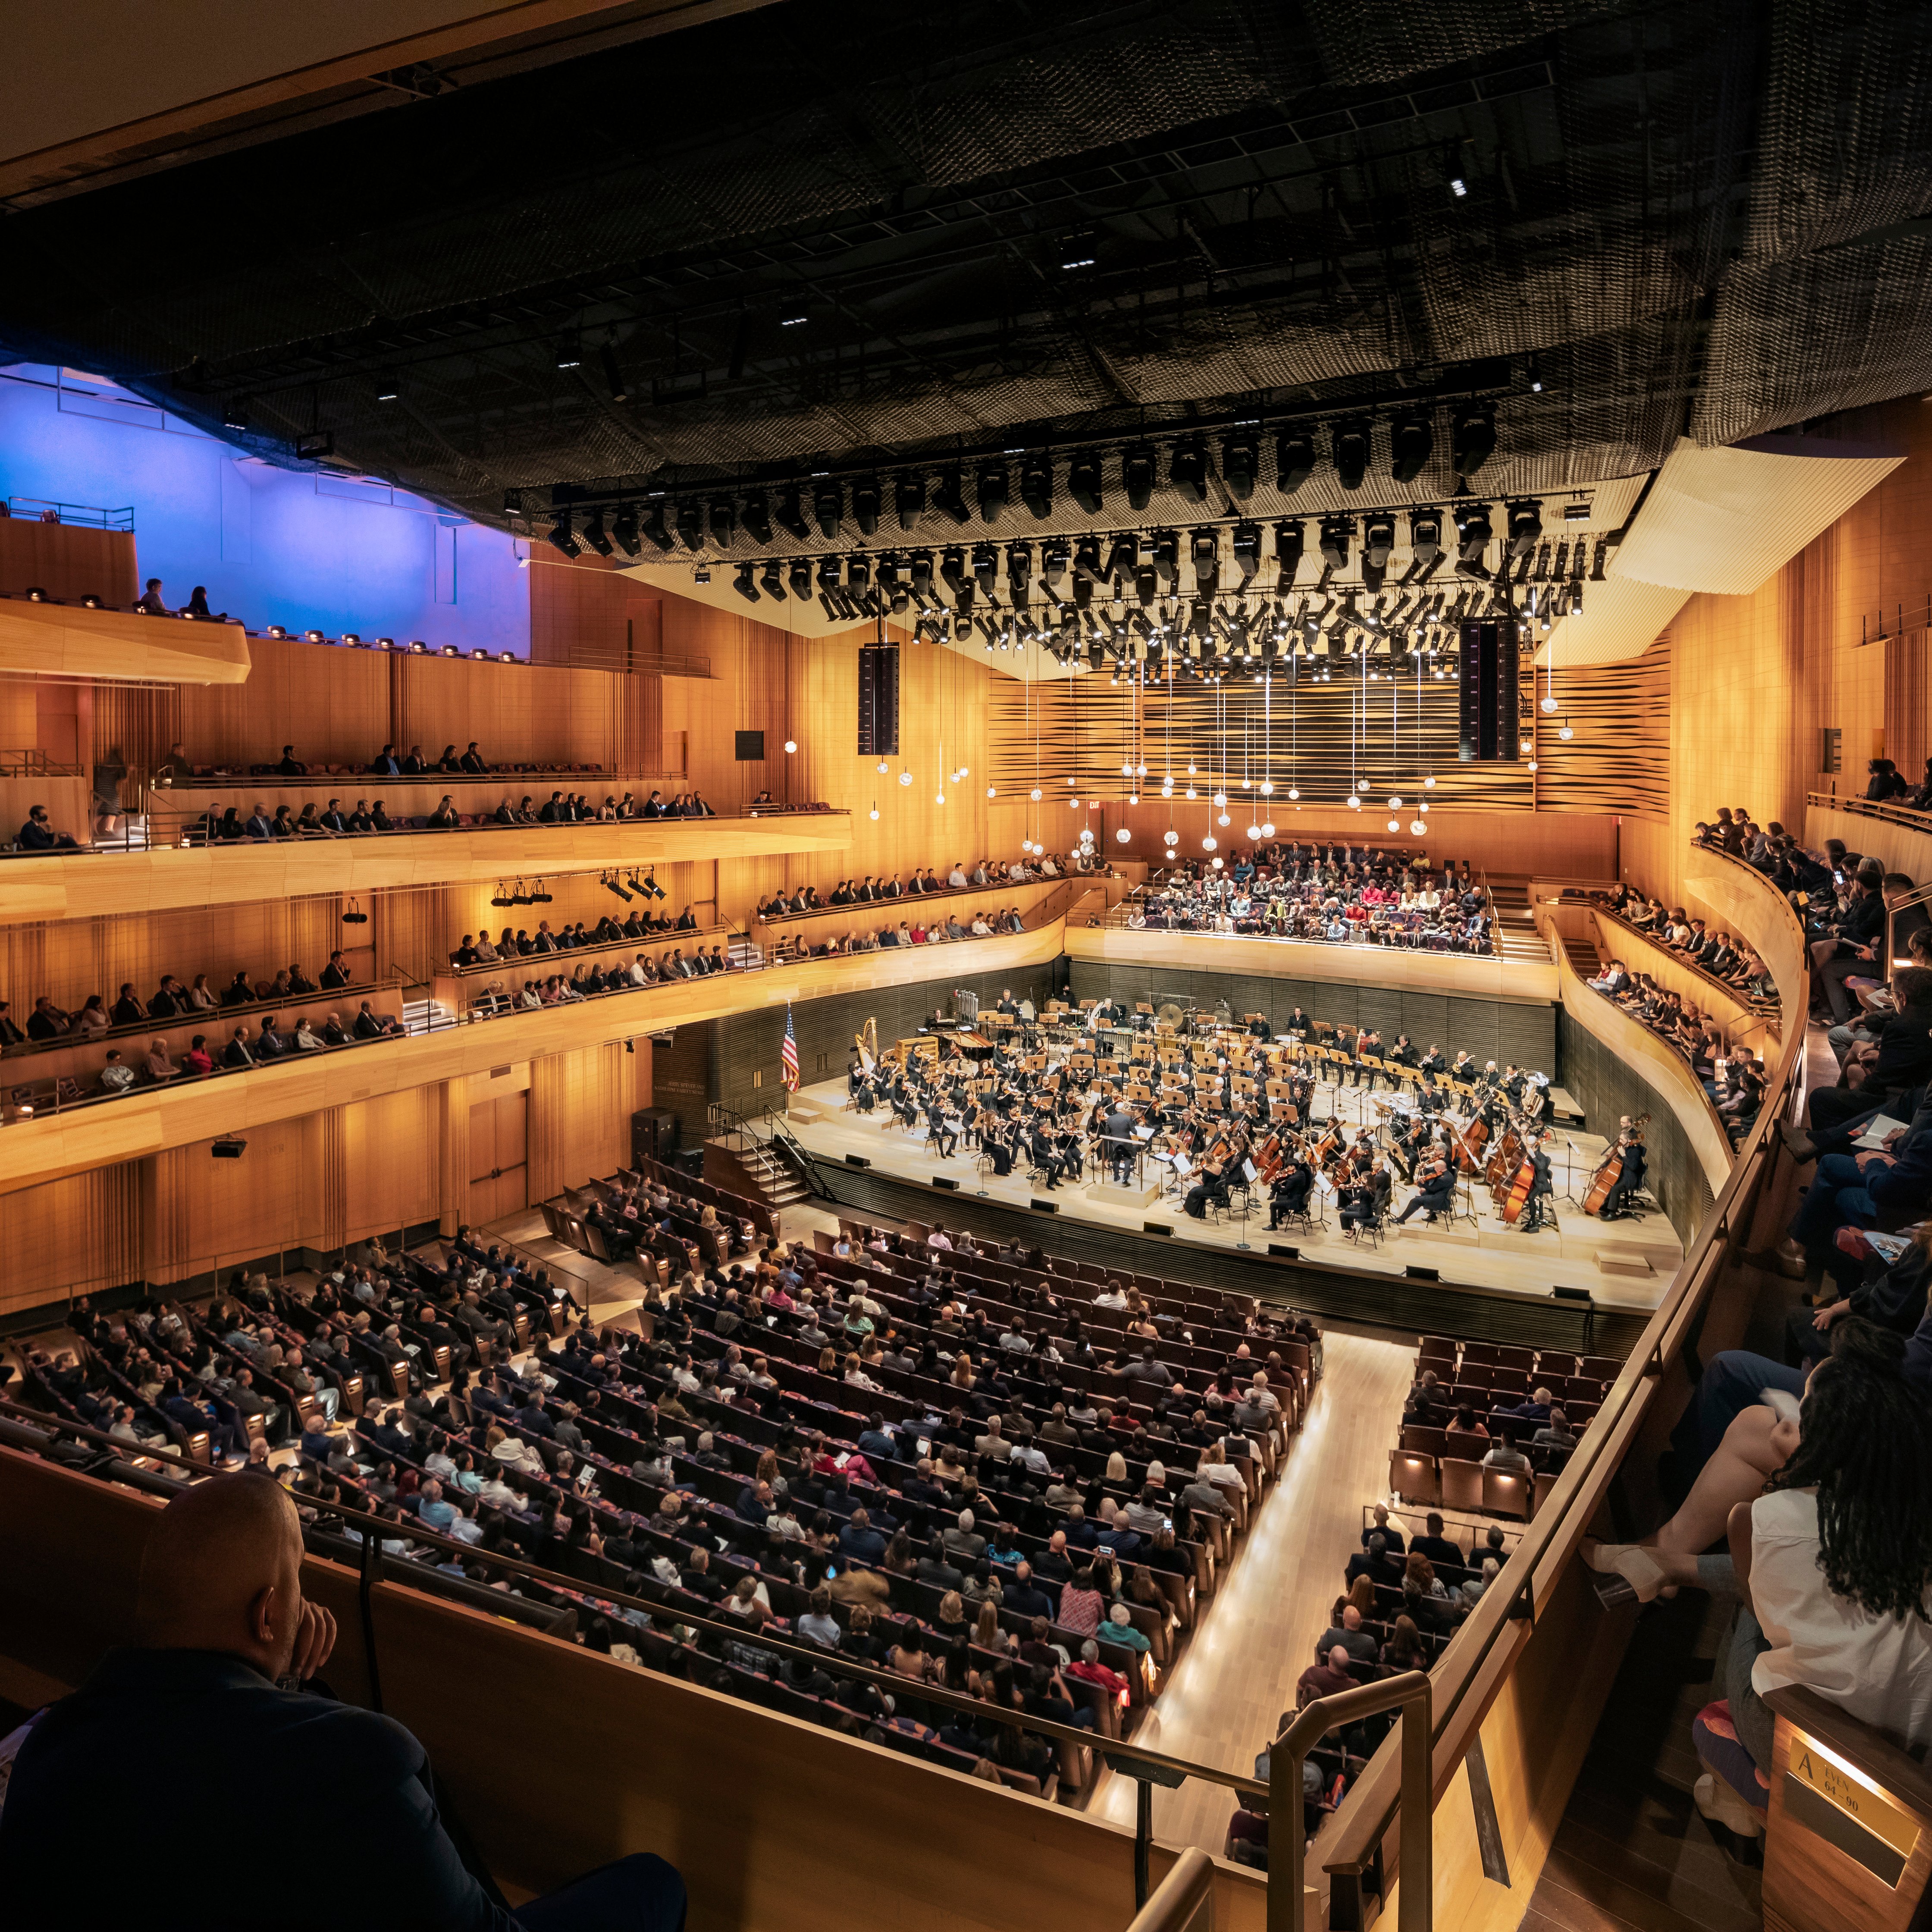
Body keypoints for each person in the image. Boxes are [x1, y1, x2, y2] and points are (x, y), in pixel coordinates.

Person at [0, 1477, 686, 1930]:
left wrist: (282, 1689)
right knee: (654, 1885)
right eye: (298, 1577)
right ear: (269, 1614)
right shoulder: (357, 1760)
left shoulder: (47, 1749)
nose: (306, 1600)